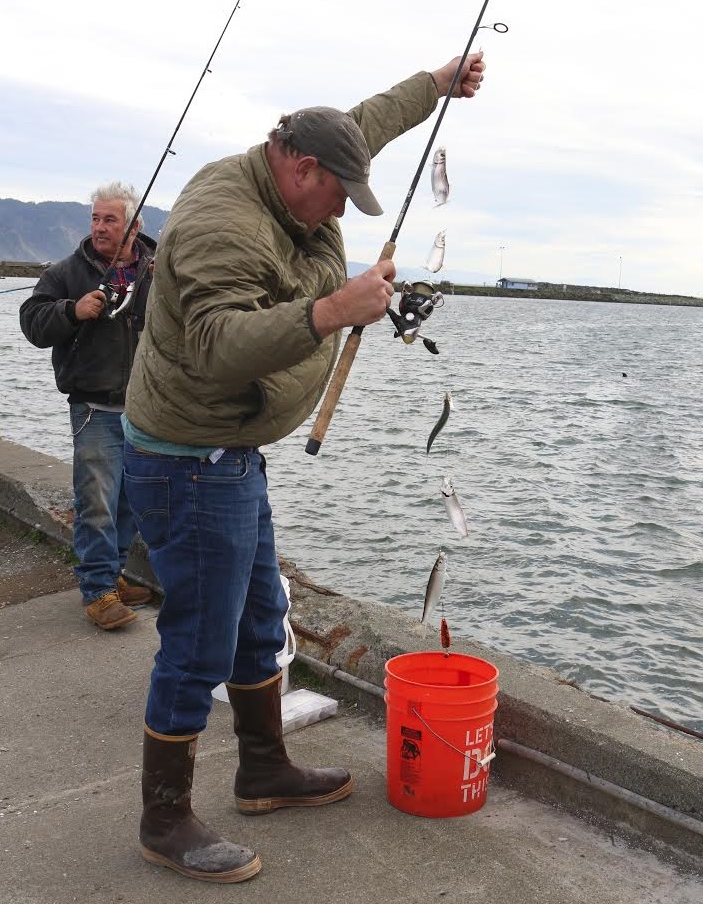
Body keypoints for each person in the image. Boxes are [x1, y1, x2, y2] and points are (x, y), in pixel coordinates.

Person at [121, 52, 486, 883]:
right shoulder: (224, 221)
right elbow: (216, 349)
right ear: (297, 166)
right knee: (198, 642)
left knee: (257, 621)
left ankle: (262, 770)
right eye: (335, 194)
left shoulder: (305, 164)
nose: (340, 210)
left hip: (232, 455)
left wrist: (436, 84)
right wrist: (333, 310)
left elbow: (368, 121)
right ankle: (163, 816)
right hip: (189, 459)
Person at [19, 182, 156, 630]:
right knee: (95, 501)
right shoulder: (66, 273)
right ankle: (97, 590)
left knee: (132, 502)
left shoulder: (159, 270)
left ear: (133, 226)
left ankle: (113, 574)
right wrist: (70, 311)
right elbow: (32, 322)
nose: (99, 227)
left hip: (148, 410)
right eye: (95, 218)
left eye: (109, 219)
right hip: (94, 408)